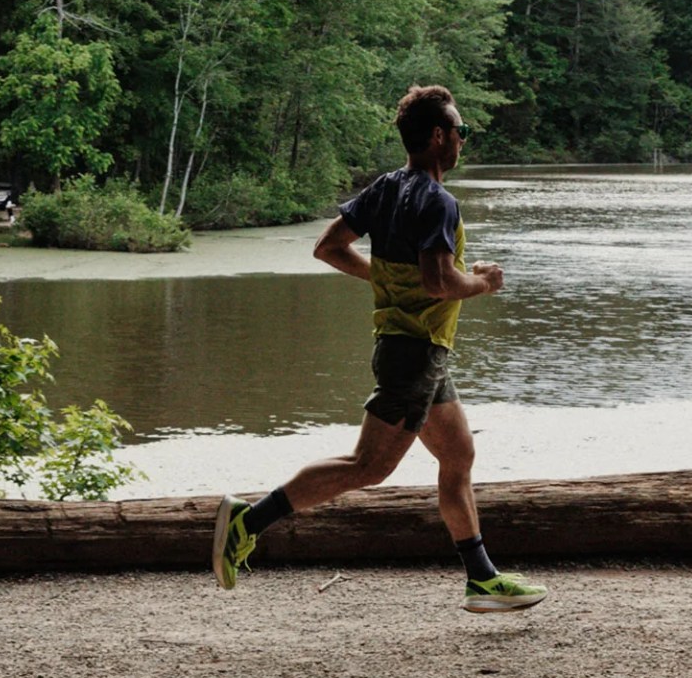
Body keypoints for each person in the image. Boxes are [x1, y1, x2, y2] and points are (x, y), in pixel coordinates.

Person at [212, 84, 548, 613]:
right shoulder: (438, 200)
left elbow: (329, 248)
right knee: (367, 466)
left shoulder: (384, 188)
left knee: (458, 454)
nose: (463, 139)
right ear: (439, 137)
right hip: (412, 355)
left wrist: (388, 282)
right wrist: (483, 282)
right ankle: (246, 522)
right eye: (460, 130)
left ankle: (481, 579)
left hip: (422, 352)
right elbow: (439, 282)